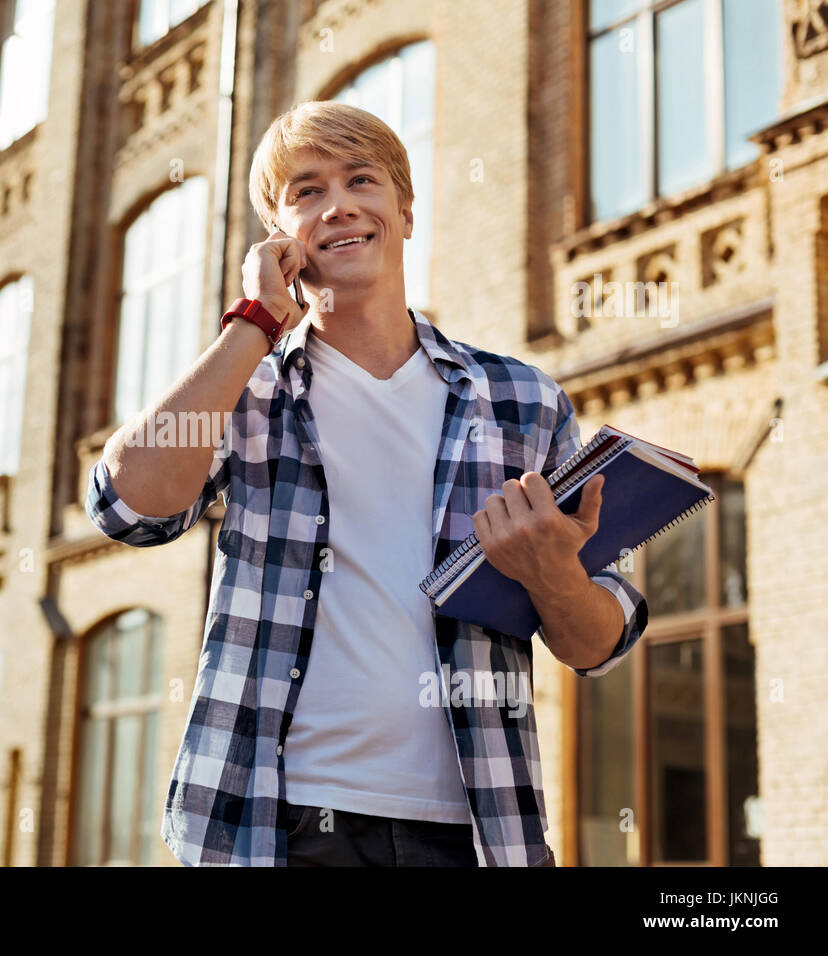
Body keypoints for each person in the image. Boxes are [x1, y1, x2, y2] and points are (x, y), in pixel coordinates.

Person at [85, 101, 648, 866]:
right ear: (280, 235)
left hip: (480, 832)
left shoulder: (521, 400)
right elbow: (125, 506)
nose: (339, 204)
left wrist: (553, 577)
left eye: (361, 180)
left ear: (405, 212)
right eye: (306, 191)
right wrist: (253, 320)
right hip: (272, 826)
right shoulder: (246, 393)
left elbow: (597, 645)